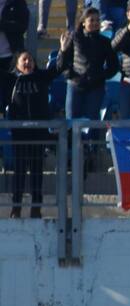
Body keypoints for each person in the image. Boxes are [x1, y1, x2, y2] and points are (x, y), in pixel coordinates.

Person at [5, 46, 66, 218]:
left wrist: (62, 50)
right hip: (20, 134)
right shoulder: (11, 80)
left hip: (38, 133)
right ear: (17, 64)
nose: (27, 62)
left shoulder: (41, 77)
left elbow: (57, 68)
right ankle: (16, 207)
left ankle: (36, 208)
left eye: (30, 60)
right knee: (19, 172)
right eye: (24, 59)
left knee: (37, 172)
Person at [57, 8, 120, 125]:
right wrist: (63, 52)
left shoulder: (105, 42)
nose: (95, 23)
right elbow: (62, 65)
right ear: (83, 22)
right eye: (91, 20)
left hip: (95, 88)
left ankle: (91, 144)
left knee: (92, 124)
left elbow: (114, 66)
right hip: (75, 86)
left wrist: (101, 76)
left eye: (97, 20)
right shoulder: (74, 37)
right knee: (71, 123)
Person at [0, 0, 29, 111]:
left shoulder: (17, 2)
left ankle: (11, 125)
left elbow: (22, 26)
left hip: (11, 57)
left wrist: (2, 25)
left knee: (11, 99)